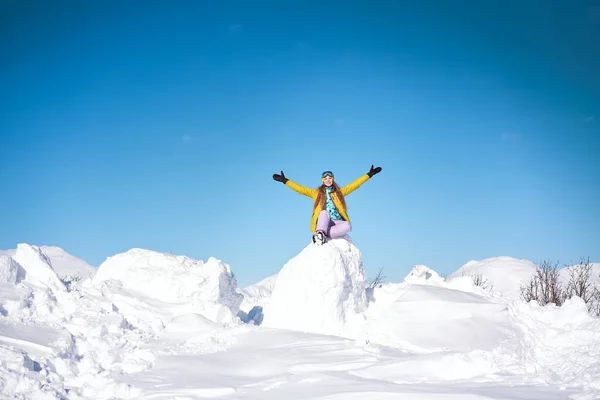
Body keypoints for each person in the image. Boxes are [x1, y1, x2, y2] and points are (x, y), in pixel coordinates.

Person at [272, 165, 382, 245]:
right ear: (322, 180)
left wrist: (369, 175)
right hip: (323, 221)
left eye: (330, 178)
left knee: (348, 225)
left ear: (333, 179)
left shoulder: (340, 192)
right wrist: (285, 181)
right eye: (325, 179)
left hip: (335, 222)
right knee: (324, 212)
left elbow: (355, 184)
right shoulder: (316, 193)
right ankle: (320, 233)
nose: (328, 180)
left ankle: (325, 235)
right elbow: (300, 189)